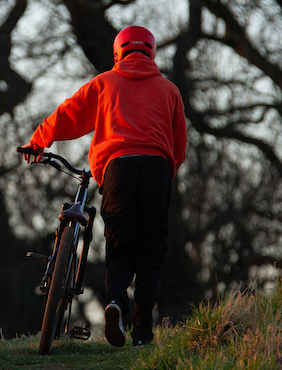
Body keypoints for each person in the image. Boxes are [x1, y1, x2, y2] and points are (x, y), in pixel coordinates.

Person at [20, 26, 187, 347]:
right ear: (151, 52)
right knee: (151, 249)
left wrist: (37, 141)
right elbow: (179, 146)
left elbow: (68, 114)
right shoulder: (170, 90)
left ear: (118, 52)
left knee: (119, 243)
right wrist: (168, 174)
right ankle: (142, 332)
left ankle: (113, 303)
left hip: (117, 169)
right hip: (155, 169)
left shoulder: (104, 84)